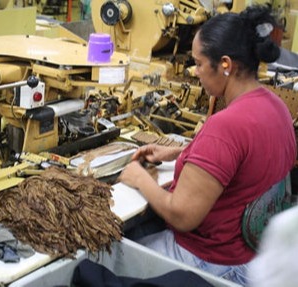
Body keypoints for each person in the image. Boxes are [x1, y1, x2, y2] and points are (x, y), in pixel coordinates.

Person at [119, 5, 296, 286]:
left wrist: (140, 178)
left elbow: (182, 215)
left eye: (199, 63)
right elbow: (247, 158)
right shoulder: (277, 107)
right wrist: (183, 153)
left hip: (212, 262)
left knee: (104, 251)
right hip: (253, 257)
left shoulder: (225, 126)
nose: (196, 72)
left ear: (225, 64)